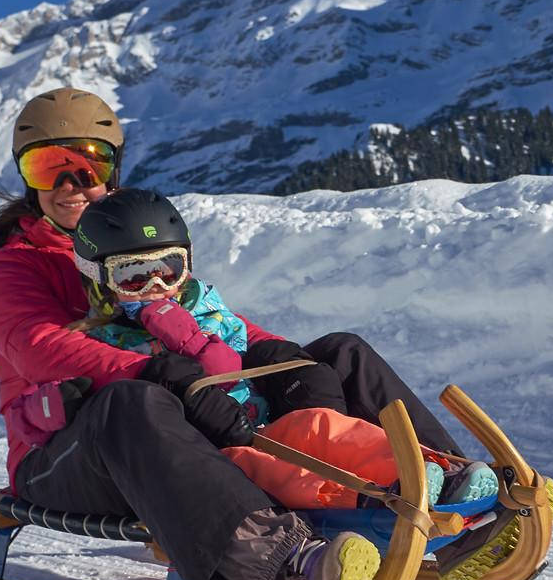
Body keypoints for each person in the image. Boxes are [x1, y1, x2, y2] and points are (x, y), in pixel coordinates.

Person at [0, 87, 507, 580]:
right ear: (24, 177)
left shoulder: (125, 237)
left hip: (166, 445)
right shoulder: (15, 266)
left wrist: (275, 354)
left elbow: (206, 316)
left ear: (113, 169)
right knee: (130, 403)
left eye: (89, 165)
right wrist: (156, 371)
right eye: (47, 167)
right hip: (67, 455)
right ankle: (292, 562)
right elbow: (40, 349)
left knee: (339, 353)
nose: (71, 184)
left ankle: (458, 503)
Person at [56, 187, 498, 512]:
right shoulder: (106, 343)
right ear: (99, 280)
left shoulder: (208, 310)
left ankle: (435, 473)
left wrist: (195, 336)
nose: (156, 289)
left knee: (322, 427)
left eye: (168, 270)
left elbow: (232, 362)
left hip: (264, 420)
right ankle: (373, 508)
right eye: (134, 277)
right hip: (211, 453)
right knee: (276, 474)